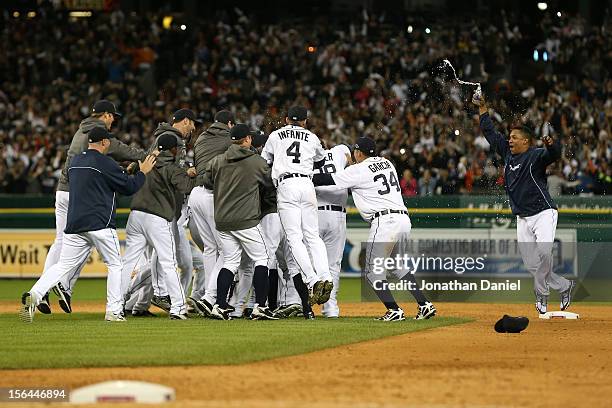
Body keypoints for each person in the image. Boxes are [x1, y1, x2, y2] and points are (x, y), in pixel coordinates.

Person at [20, 127, 156, 323]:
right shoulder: (106, 162)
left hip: (75, 223)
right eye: (108, 140)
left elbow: (98, 180)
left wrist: (121, 174)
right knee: (115, 265)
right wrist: (142, 173)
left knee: (63, 265)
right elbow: (128, 187)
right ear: (102, 142)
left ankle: (35, 294)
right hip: (100, 223)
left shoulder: (75, 161)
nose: (109, 143)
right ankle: (114, 310)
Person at [38, 100, 146, 315]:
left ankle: (44, 289)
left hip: (62, 190)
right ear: (105, 115)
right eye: (112, 116)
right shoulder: (98, 133)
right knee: (87, 239)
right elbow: (127, 152)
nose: (113, 120)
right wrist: (146, 157)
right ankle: (65, 285)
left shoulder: (80, 129)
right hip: (78, 193)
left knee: (62, 241)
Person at [472, 91, 575, 314]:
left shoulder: (536, 155)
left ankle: (542, 295)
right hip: (522, 218)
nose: (510, 140)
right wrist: (482, 108)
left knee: (545, 254)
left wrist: (551, 145)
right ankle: (564, 286)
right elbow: (490, 132)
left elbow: (554, 155)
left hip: (543, 212)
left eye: (514, 137)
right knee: (532, 265)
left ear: (526, 141)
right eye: (509, 137)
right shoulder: (508, 156)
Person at [313, 136, 436, 321]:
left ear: (359, 153)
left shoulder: (359, 169)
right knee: (398, 266)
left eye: (355, 151)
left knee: (372, 272)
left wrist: (303, 176)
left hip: (385, 221)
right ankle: (424, 304)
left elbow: (330, 179)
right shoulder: (387, 164)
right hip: (403, 219)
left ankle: (393, 309)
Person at [198, 124, 277, 321]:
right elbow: (269, 186)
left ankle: (220, 305)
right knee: (262, 259)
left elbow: (207, 182)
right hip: (246, 219)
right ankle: (260, 306)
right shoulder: (256, 162)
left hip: (223, 219)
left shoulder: (218, 160)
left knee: (230, 261)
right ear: (248, 139)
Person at [122, 133, 206, 320]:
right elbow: (186, 187)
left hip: (136, 215)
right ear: (173, 149)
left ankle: (115, 304)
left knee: (128, 263)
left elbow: (131, 169)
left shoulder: (145, 159)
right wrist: (194, 174)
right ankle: (177, 308)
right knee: (169, 264)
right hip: (157, 218)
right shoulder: (171, 167)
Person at [260, 106, 333, 306]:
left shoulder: (275, 135)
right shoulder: (312, 137)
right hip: (307, 185)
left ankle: (312, 279)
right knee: (312, 235)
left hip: (286, 185)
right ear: (305, 121)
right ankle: (326, 276)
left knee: (294, 237)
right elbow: (320, 162)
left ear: (285, 119)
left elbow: (264, 163)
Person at [188, 110, 235, 315]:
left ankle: (209, 295)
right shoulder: (229, 138)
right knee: (227, 251)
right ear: (230, 124)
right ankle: (210, 297)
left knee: (210, 248)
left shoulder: (202, 137)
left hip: (195, 195)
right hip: (212, 195)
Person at [315, 142, 352, 317]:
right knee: (333, 265)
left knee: (304, 263)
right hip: (337, 215)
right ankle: (330, 309)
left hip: (313, 214)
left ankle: (299, 304)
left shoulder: (307, 158)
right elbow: (351, 160)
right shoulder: (338, 151)